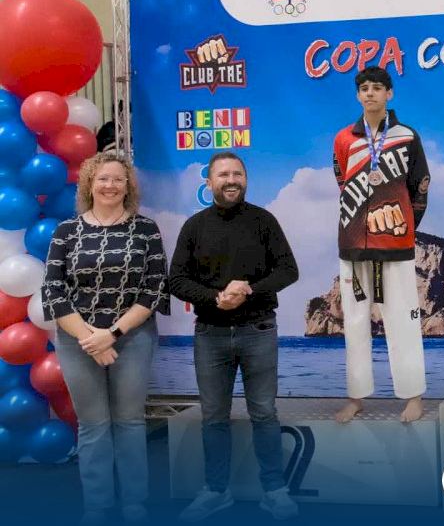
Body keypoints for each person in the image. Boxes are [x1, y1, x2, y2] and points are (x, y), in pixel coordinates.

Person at [169, 152, 300, 521]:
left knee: (264, 413)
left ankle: (274, 491)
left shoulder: (264, 221)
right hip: (210, 334)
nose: (231, 180)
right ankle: (216, 491)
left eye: (237, 174)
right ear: (209, 182)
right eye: (223, 174)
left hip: (259, 330)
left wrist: (248, 290)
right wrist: (216, 298)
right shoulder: (194, 226)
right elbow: (176, 280)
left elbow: (288, 270)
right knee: (213, 417)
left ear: (245, 179)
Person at [42, 149, 168, 526]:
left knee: (130, 422)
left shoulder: (146, 230)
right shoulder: (66, 231)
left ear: (128, 185)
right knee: (93, 424)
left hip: (132, 337)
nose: (110, 185)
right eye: (103, 179)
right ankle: (96, 507)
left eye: (118, 179)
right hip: (77, 340)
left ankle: (134, 503)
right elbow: (53, 290)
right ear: (89, 184)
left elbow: (154, 288)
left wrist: (111, 334)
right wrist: (90, 338)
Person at [332, 65, 431, 424]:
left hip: (396, 244)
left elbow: (420, 185)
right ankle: (356, 398)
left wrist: (403, 226)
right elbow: (343, 183)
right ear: (358, 95)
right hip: (353, 243)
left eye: (377, 87)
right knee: (355, 323)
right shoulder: (343, 139)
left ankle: (413, 396)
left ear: (389, 93)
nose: (370, 93)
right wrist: (360, 223)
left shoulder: (407, 136)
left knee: (403, 321)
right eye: (364, 88)